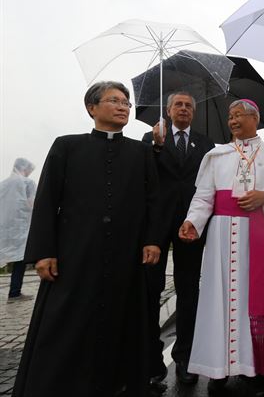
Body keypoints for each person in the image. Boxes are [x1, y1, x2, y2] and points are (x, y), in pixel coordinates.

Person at [12, 81, 162, 397]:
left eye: (127, 103)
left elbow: (154, 201)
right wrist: (43, 252)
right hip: (74, 255)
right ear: (92, 107)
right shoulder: (66, 146)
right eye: (114, 100)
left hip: (125, 257)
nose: (123, 106)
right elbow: (47, 200)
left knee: (121, 325)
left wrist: (153, 240)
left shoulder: (142, 152)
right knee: (66, 324)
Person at [179, 99, 264, 396]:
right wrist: (193, 221)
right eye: (230, 116)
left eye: (238, 115)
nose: (232, 120)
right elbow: (204, 196)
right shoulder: (216, 156)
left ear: (254, 118)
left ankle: (253, 368)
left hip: (258, 235)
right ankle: (217, 369)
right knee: (217, 301)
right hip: (221, 236)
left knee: (252, 302)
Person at [141, 91, 215, 388]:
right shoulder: (150, 139)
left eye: (188, 105)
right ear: (168, 110)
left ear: (193, 113)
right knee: (150, 290)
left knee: (189, 291)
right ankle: (151, 360)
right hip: (155, 226)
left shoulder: (206, 143)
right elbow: (144, 175)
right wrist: (156, 148)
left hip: (191, 225)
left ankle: (184, 358)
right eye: (178, 105)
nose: (183, 109)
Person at [0, 158, 36, 302]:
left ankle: (14, 292)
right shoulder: (27, 183)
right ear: (24, 168)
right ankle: (14, 292)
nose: (29, 173)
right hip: (21, 227)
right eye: (28, 170)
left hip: (5, 228)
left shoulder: (3, 184)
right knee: (20, 259)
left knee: (6, 254)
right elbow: (32, 204)